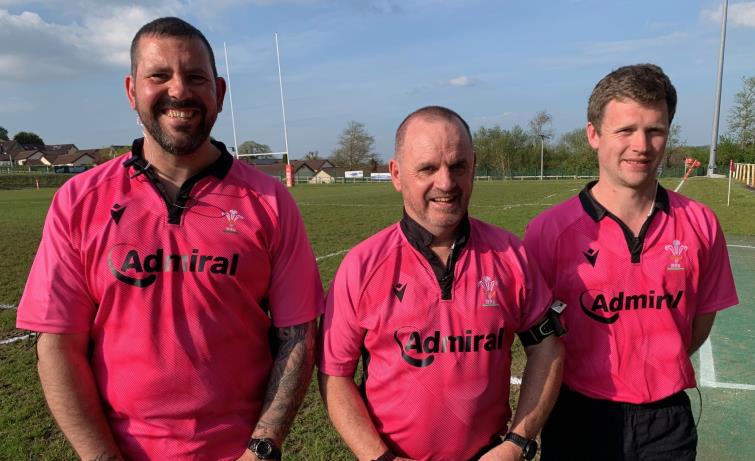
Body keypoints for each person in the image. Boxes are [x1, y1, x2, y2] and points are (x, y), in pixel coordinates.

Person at [16, 17, 323, 461]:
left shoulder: (271, 202)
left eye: (195, 77)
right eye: (159, 76)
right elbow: (57, 344)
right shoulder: (79, 201)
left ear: (218, 90)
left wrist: (261, 449)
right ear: (130, 90)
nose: (179, 91)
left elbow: (297, 335)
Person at [318, 106, 564, 461]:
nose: (446, 183)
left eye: (458, 166)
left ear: (474, 166)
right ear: (397, 174)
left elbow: (547, 346)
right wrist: (377, 457)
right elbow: (334, 374)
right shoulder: (361, 266)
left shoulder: (511, 255)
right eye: (428, 168)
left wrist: (518, 442)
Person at [524, 64, 739, 460]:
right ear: (594, 134)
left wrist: (654, 367)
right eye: (625, 130)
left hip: (667, 419)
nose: (641, 145)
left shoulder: (700, 223)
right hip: (577, 414)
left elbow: (701, 321)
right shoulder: (546, 232)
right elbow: (534, 336)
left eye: (654, 130)